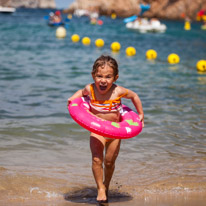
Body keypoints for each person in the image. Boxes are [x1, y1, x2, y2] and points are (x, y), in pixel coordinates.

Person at [67, 55, 144, 203]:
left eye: (108, 77)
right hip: (97, 131)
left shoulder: (118, 91)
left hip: (115, 133)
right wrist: (72, 98)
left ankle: (106, 186)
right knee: (97, 159)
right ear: (93, 76)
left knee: (109, 162)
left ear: (115, 78)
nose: (103, 80)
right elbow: (80, 93)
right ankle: (100, 188)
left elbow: (134, 96)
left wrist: (140, 114)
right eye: (99, 76)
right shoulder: (90, 89)